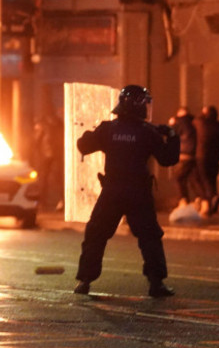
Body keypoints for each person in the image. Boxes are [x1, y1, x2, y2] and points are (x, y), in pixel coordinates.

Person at [74, 85, 179, 298]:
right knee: (149, 237)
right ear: (138, 106)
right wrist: (172, 136)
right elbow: (168, 159)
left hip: (112, 191)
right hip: (138, 193)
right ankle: (156, 283)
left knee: (96, 234)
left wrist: (94, 131)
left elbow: (83, 146)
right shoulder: (148, 133)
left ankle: (85, 281)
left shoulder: (108, 129)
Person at [194, 105, 219, 216]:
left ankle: (211, 199)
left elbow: (196, 120)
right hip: (215, 156)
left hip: (201, 155)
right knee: (212, 178)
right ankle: (211, 202)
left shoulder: (200, 123)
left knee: (202, 179)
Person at [169, 106, 203, 207]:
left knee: (178, 177)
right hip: (194, 153)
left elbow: (171, 134)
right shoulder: (194, 121)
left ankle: (183, 200)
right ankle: (201, 198)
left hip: (184, 154)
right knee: (193, 178)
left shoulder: (180, 122)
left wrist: (171, 124)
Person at [31, 109, 64, 211]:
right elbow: (37, 142)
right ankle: (42, 202)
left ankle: (43, 202)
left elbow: (36, 142)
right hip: (51, 155)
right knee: (48, 178)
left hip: (50, 155)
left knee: (50, 178)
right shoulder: (57, 125)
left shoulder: (49, 126)